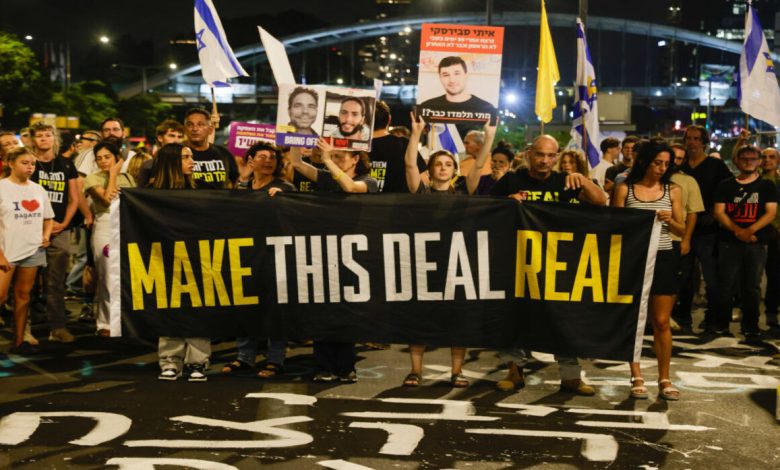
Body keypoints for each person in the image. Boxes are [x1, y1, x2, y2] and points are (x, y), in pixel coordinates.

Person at [490, 134, 607, 396]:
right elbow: (487, 209)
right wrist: (506, 202)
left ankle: (571, 376)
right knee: (514, 317)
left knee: (563, 319)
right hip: (519, 261)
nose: (545, 160)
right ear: (529, 154)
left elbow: (601, 201)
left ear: (556, 157)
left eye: (551, 155)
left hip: (558, 262)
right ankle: (514, 371)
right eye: (540, 154)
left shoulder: (566, 181)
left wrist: (583, 180)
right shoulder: (512, 180)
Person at [401, 113, 495, 388]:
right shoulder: (420, 192)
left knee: (459, 320)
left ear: (454, 170)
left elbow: (479, 165)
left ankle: (457, 372)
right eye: (438, 164)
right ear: (430, 170)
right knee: (419, 319)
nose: (443, 168)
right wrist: (415, 133)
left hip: (457, 264)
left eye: (448, 164)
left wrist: (489, 135)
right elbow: (409, 164)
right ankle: (415, 371)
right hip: (424, 263)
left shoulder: (464, 190)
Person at [290, 138, 378, 382]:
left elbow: (349, 187)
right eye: (332, 155)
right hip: (324, 251)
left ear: (356, 158)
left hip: (353, 255)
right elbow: (296, 164)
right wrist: (295, 134)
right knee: (322, 310)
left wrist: (327, 160)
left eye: (340, 156)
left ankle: (346, 367)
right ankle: (324, 366)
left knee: (346, 312)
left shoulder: (368, 181)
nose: (333, 159)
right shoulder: (327, 177)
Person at [614, 139, 685, 400]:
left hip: (663, 257)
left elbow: (681, 229)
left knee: (662, 321)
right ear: (645, 161)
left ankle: (664, 377)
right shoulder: (625, 189)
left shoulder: (673, 190)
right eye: (658, 163)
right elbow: (614, 225)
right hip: (633, 258)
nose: (662, 168)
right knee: (634, 320)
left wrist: (670, 220)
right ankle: (636, 374)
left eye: (667, 164)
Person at [223, 142, 296, 378]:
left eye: (272, 157)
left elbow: (296, 215)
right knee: (246, 304)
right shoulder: (243, 186)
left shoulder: (284, 187)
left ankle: (275, 358)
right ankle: (245, 356)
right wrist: (241, 184)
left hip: (275, 255)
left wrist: (285, 200)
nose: (268, 161)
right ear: (250, 161)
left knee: (276, 307)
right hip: (247, 254)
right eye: (262, 157)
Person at [147, 143, 211, 382]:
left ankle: (197, 360)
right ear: (171, 161)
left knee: (198, 309)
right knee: (169, 309)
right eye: (186, 157)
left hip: (197, 258)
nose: (192, 161)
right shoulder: (150, 193)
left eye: (191, 156)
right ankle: (170, 360)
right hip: (164, 259)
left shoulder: (200, 188)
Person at [713, 145, 778, 341]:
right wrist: (738, 231)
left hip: (756, 243)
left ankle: (751, 327)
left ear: (758, 162)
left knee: (752, 286)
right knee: (725, 284)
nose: (749, 162)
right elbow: (719, 212)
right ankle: (721, 325)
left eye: (753, 158)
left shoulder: (767, 186)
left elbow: (771, 213)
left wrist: (749, 231)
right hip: (728, 242)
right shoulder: (725, 185)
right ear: (737, 161)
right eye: (744, 158)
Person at [678, 125, 733, 332]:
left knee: (712, 278)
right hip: (683, 229)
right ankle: (683, 318)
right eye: (688, 139)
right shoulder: (680, 167)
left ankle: (713, 319)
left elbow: (728, 189)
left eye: (696, 139)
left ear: (704, 142)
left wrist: (714, 213)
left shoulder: (715, 165)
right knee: (683, 277)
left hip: (708, 231)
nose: (692, 142)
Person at [30, 122, 80, 344]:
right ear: (33, 140)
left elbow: (74, 199)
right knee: (27, 283)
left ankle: (57, 327)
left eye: (48, 135)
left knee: (56, 281)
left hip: (60, 229)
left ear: (55, 138)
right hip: (31, 230)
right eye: (39, 135)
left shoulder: (66, 164)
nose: (44, 138)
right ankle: (25, 328)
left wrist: (64, 222)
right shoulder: (29, 163)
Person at [0, 148, 53, 353]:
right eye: (25, 163)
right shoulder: (2, 188)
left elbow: (48, 218)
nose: (30, 167)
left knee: (23, 296)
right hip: (6, 251)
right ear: (11, 163)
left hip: (32, 250)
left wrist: (46, 236)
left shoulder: (38, 189)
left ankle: (19, 341)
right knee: (1, 296)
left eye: (32, 164)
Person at [83, 142, 136, 337]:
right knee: (106, 276)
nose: (103, 161)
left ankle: (125, 321)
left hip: (126, 227)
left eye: (107, 157)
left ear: (117, 157)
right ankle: (105, 322)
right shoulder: (92, 178)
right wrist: (113, 173)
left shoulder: (128, 177)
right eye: (99, 158)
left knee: (126, 276)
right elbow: (108, 199)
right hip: (105, 227)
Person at [669, 143, 705, 333]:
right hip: (650, 239)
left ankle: (678, 317)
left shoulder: (688, 181)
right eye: (673, 156)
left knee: (679, 281)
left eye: (679, 158)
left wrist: (686, 239)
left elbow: (692, 213)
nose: (675, 161)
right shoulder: (649, 178)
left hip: (676, 238)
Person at [368, 100, 427, 193]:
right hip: (401, 201)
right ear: (389, 119)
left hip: (359, 201)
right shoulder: (405, 144)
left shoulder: (357, 147)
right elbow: (424, 180)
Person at [418, 56, 497, 121]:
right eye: (446, 75)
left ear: (466, 76)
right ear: (440, 78)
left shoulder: (486, 109)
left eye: (457, 73)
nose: (452, 80)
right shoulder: (427, 107)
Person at [184, 108, 239, 189]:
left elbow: (236, 182)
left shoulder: (224, 153)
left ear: (210, 130)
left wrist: (244, 178)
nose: (195, 129)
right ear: (185, 129)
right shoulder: (177, 154)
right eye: (190, 125)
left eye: (200, 124)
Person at [760, 147, 780, 331]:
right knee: (751, 276)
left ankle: (772, 312)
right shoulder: (755, 180)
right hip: (759, 232)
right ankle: (746, 312)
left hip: (776, 235)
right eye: (764, 157)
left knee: (775, 275)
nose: (767, 160)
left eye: (771, 157)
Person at [134, 120, 186, 188]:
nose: (176, 140)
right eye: (171, 136)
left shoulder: (187, 165)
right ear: (160, 138)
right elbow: (141, 192)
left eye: (180, 137)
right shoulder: (148, 166)